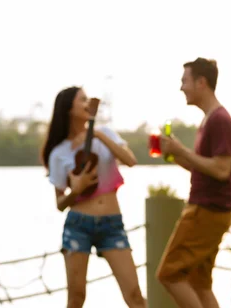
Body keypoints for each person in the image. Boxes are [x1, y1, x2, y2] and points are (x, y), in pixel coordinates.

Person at [41, 86, 145, 308]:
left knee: (135, 295)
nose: (88, 103)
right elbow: (60, 204)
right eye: (83, 100)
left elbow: (130, 160)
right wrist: (75, 190)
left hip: (112, 224)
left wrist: (95, 133)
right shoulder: (58, 153)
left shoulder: (105, 133)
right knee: (76, 298)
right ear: (69, 108)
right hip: (78, 225)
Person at [156, 58, 231, 308]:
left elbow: (223, 169)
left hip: (206, 211)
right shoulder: (209, 119)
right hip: (213, 210)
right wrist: (177, 156)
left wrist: (182, 149)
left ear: (201, 83)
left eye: (185, 81)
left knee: (168, 274)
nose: (182, 87)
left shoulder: (219, 120)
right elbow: (206, 168)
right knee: (199, 282)